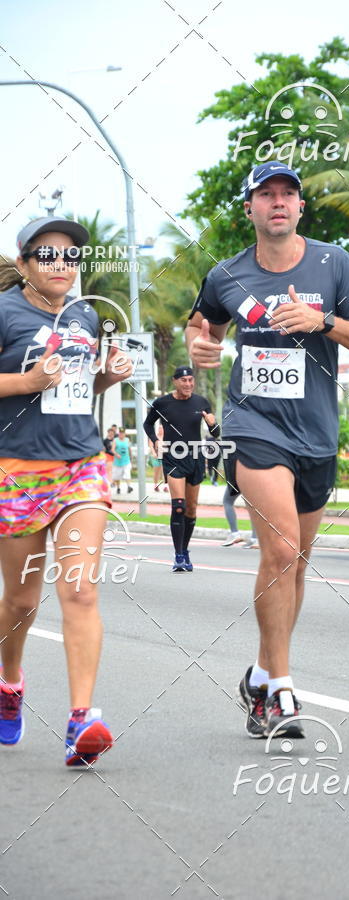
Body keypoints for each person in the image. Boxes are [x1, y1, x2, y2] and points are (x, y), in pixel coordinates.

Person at [186, 163, 349, 738]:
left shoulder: (334, 263)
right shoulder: (226, 273)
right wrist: (203, 349)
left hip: (318, 434)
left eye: (288, 195)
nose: (278, 202)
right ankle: (281, 692)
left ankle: (258, 674)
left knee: (295, 563)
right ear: (249, 209)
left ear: (300, 208)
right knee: (279, 550)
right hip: (253, 426)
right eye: (266, 195)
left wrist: (323, 321)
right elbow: (206, 329)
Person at [0, 215, 133, 765]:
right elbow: (32, 383)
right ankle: (9, 683)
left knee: (79, 590)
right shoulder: (6, 311)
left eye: (71, 256)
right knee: (22, 601)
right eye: (48, 254)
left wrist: (105, 377)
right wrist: (28, 383)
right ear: (27, 264)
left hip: (81, 462)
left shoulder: (85, 315)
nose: (62, 264)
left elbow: (78, 385)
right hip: (16, 470)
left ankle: (81, 720)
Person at [143, 366, 219, 572]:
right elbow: (147, 424)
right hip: (173, 457)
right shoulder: (162, 403)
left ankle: (185, 550)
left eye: (190, 380)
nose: (188, 384)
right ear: (175, 381)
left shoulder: (201, 402)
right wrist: (155, 440)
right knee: (178, 505)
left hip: (195, 457)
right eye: (184, 380)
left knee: (191, 509)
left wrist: (213, 425)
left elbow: (216, 431)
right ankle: (178, 555)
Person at [148, 421, 168, 492]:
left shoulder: (166, 437)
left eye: (162, 428)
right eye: (159, 428)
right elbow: (150, 445)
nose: (161, 430)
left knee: (165, 471)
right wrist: (153, 453)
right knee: (156, 472)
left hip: (164, 456)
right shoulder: (154, 436)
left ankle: (165, 486)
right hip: (156, 456)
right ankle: (156, 485)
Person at [112, 427, 133, 494]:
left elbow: (129, 449)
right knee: (117, 476)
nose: (121, 434)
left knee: (127, 474)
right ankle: (118, 488)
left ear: (124, 434)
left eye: (123, 433)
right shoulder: (115, 440)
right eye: (120, 433)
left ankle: (129, 487)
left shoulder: (127, 440)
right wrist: (116, 454)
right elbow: (112, 449)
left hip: (126, 461)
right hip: (118, 462)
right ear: (119, 433)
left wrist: (131, 457)